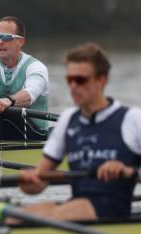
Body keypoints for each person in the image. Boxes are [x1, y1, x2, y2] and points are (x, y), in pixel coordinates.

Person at [18, 43, 141, 221]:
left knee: (56, 212)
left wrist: (128, 171)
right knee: (19, 215)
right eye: (70, 80)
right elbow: (41, 179)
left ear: (101, 80)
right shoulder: (68, 120)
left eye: (81, 80)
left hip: (112, 212)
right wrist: (29, 183)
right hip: (77, 208)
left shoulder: (132, 119)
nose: (74, 87)